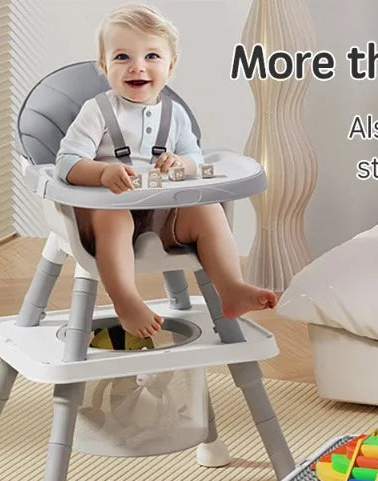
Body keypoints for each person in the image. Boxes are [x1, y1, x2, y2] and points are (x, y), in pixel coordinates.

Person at [56, 3, 277, 338]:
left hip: (160, 216)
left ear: (171, 65)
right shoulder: (97, 111)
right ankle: (126, 298)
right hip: (104, 216)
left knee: (207, 209)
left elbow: (195, 160)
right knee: (114, 217)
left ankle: (230, 287)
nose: (137, 67)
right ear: (103, 65)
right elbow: (67, 163)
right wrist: (101, 173)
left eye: (151, 57)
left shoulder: (175, 114)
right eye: (122, 57)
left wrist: (181, 163)